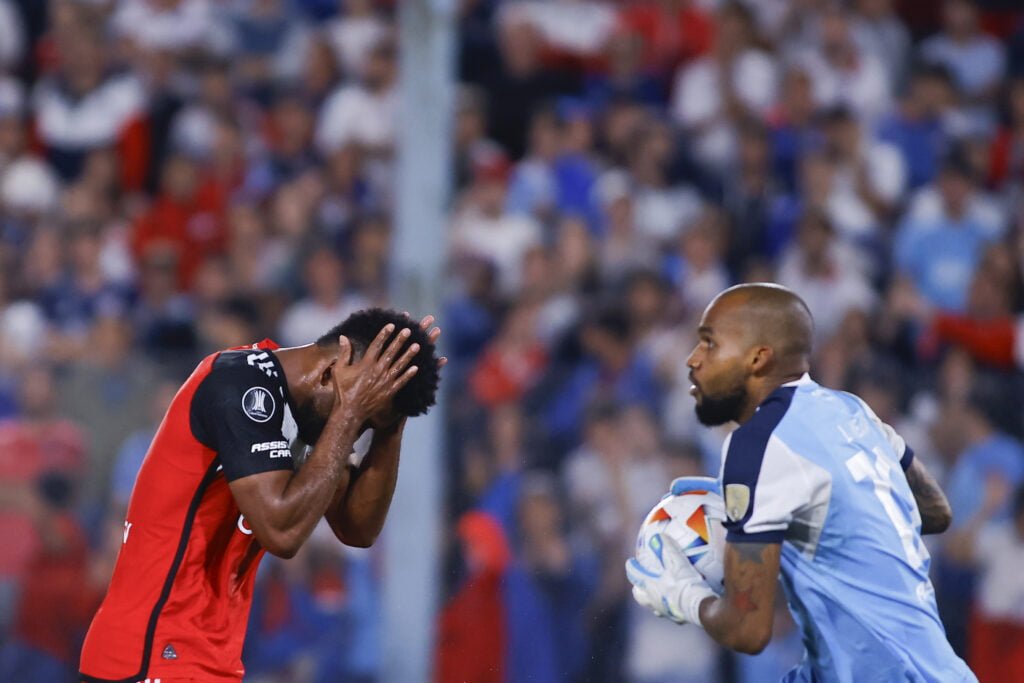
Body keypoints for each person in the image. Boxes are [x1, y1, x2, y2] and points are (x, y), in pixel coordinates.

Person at [626, 283, 975, 682]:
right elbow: (935, 511)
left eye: (709, 343)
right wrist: (794, 521)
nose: (693, 359)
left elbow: (748, 630)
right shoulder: (851, 410)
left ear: (758, 357)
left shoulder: (757, 442)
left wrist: (684, 595)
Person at [79, 308, 444, 683]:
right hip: (152, 652)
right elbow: (281, 532)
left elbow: (358, 529)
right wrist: (351, 413)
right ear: (334, 368)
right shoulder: (238, 384)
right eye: (361, 414)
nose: (354, 432)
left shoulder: (317, 411)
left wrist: (392, 419)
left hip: (206, 655)